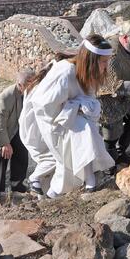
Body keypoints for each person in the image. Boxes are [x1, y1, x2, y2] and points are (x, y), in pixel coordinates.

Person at [19, 35, 116, 198]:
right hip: (53, 122)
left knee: (86, 133)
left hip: (73, 118)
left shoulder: (89, 73)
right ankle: (59, 191)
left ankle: (84, 181)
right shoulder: (65, 72)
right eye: (104, 61)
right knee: (69, 156)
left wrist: (81, 106)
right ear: (91, 60)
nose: (107, 66)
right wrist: (74, 107)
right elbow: (45, 105)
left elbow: (89, 98)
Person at [98, 20, 130, 166]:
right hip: (107, 100)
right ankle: (109, 165)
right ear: (126, 37)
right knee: (111, 134)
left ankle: (121, 153)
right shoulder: (112, 54)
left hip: (123, 98)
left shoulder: (129, 49)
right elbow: (110, 84)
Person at [0, 69, 34, 201]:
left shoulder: (31, 93)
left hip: (17, 129)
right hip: (0, 131)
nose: (32, 88)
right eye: (29, 85)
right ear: (20, 85)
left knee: (22, 154)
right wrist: (5, 143)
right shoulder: (6, 97)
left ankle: (17, 185)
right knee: (2, 155)